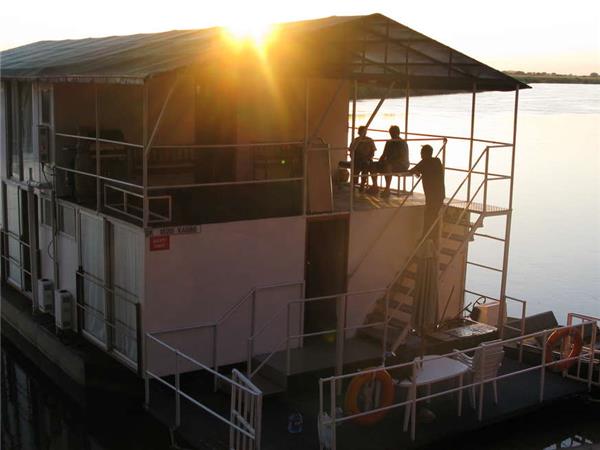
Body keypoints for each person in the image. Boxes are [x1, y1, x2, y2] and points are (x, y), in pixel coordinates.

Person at [410, 144, 445, 241]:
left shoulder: (425, 162)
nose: (420, 155)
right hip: (440, 194)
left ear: (425, 153)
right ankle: (432, 237)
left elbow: (412, 170)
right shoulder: (437, 161)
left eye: (421, 153)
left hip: (432, 196)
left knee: (429, 215)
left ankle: (427, 236)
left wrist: (417, 172)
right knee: (433, 215)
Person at [372, 125, 409, 197]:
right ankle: (375, 186)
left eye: (393, 132)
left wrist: (389, 161)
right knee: (373, 165)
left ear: (397, 133)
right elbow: (384, 154)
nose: (391, 134)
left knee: (388, 167)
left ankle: (387, 189)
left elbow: (402, 157)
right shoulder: (388, 142)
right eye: (390, 132)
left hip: (402, 164)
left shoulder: (402, 143)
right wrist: (380, 162)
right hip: (389, 163)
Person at [348, 126, 376, 192]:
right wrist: (354, 158)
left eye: (365, 131)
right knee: (357, 166)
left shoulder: (370, 140)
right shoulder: (356, 140)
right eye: (362, 131)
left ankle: (363, 184)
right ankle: (355, 183)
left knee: (366, 166)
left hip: (367, 159)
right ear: (359, 132)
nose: (364, 133)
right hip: (357, 159)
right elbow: (351, 152)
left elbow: (373, 152)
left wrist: (368, 158)